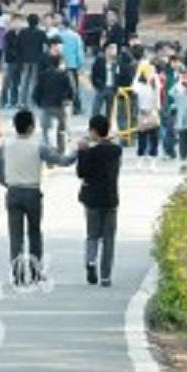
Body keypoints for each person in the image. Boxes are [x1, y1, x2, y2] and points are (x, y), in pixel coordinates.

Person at [0, 108, 76, 284]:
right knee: (34, 233)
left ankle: (17, 274)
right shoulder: (38, 146)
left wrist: (8, 184)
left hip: (14, 192)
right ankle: (36, 272)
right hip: (32, 192)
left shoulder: (5, 146)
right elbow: (63, 161)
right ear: (31, 127)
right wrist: (76, 151)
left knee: (15, 236)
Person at [75, 113, 122, 287]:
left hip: (92, 199)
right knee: (109, 238)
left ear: (94, 131)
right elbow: (109, 149)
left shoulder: (89, 152)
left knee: (92, 235)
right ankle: (106, 276)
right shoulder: (116, 151)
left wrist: (82, 151)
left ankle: (91, 262)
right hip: (110, 198)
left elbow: (81, 173)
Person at [33, 39, 76, 151]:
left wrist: (38, 102)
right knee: (62, 130)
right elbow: (72, 89)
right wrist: (70, 100)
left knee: (47, 130)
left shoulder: (44, 74)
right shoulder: (66, 74)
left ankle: (50, 153)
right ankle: (61, 150)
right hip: (62, 105)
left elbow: (38, 89)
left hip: (47, 104)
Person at [14, 13, 46, 108]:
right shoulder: (41, 33)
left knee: (24, 80)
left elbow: (17, 46)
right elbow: (46, 45)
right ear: (37, 22)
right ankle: (30, 101)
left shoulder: (23, 32)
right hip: (37, 59)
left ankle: (20, 101)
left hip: (24, 59)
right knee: (33, 81)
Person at [133, 71, 160, 169]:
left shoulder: (155, 86)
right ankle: (140, 161)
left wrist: (154, 75)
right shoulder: (140, 86)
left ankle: (153, 162)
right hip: (142, 113)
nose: (149, 75)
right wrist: (138, 72)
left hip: (153, 113)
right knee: (142, 138)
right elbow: (134, 86)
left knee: (154, 139)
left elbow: (158, 86)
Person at [173, 69, 187, 176]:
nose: (186, 79)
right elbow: (173, 99)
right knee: (183, 143)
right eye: (184, 76)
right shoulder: (177, 88)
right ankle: (183, 165)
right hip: (181, 120)